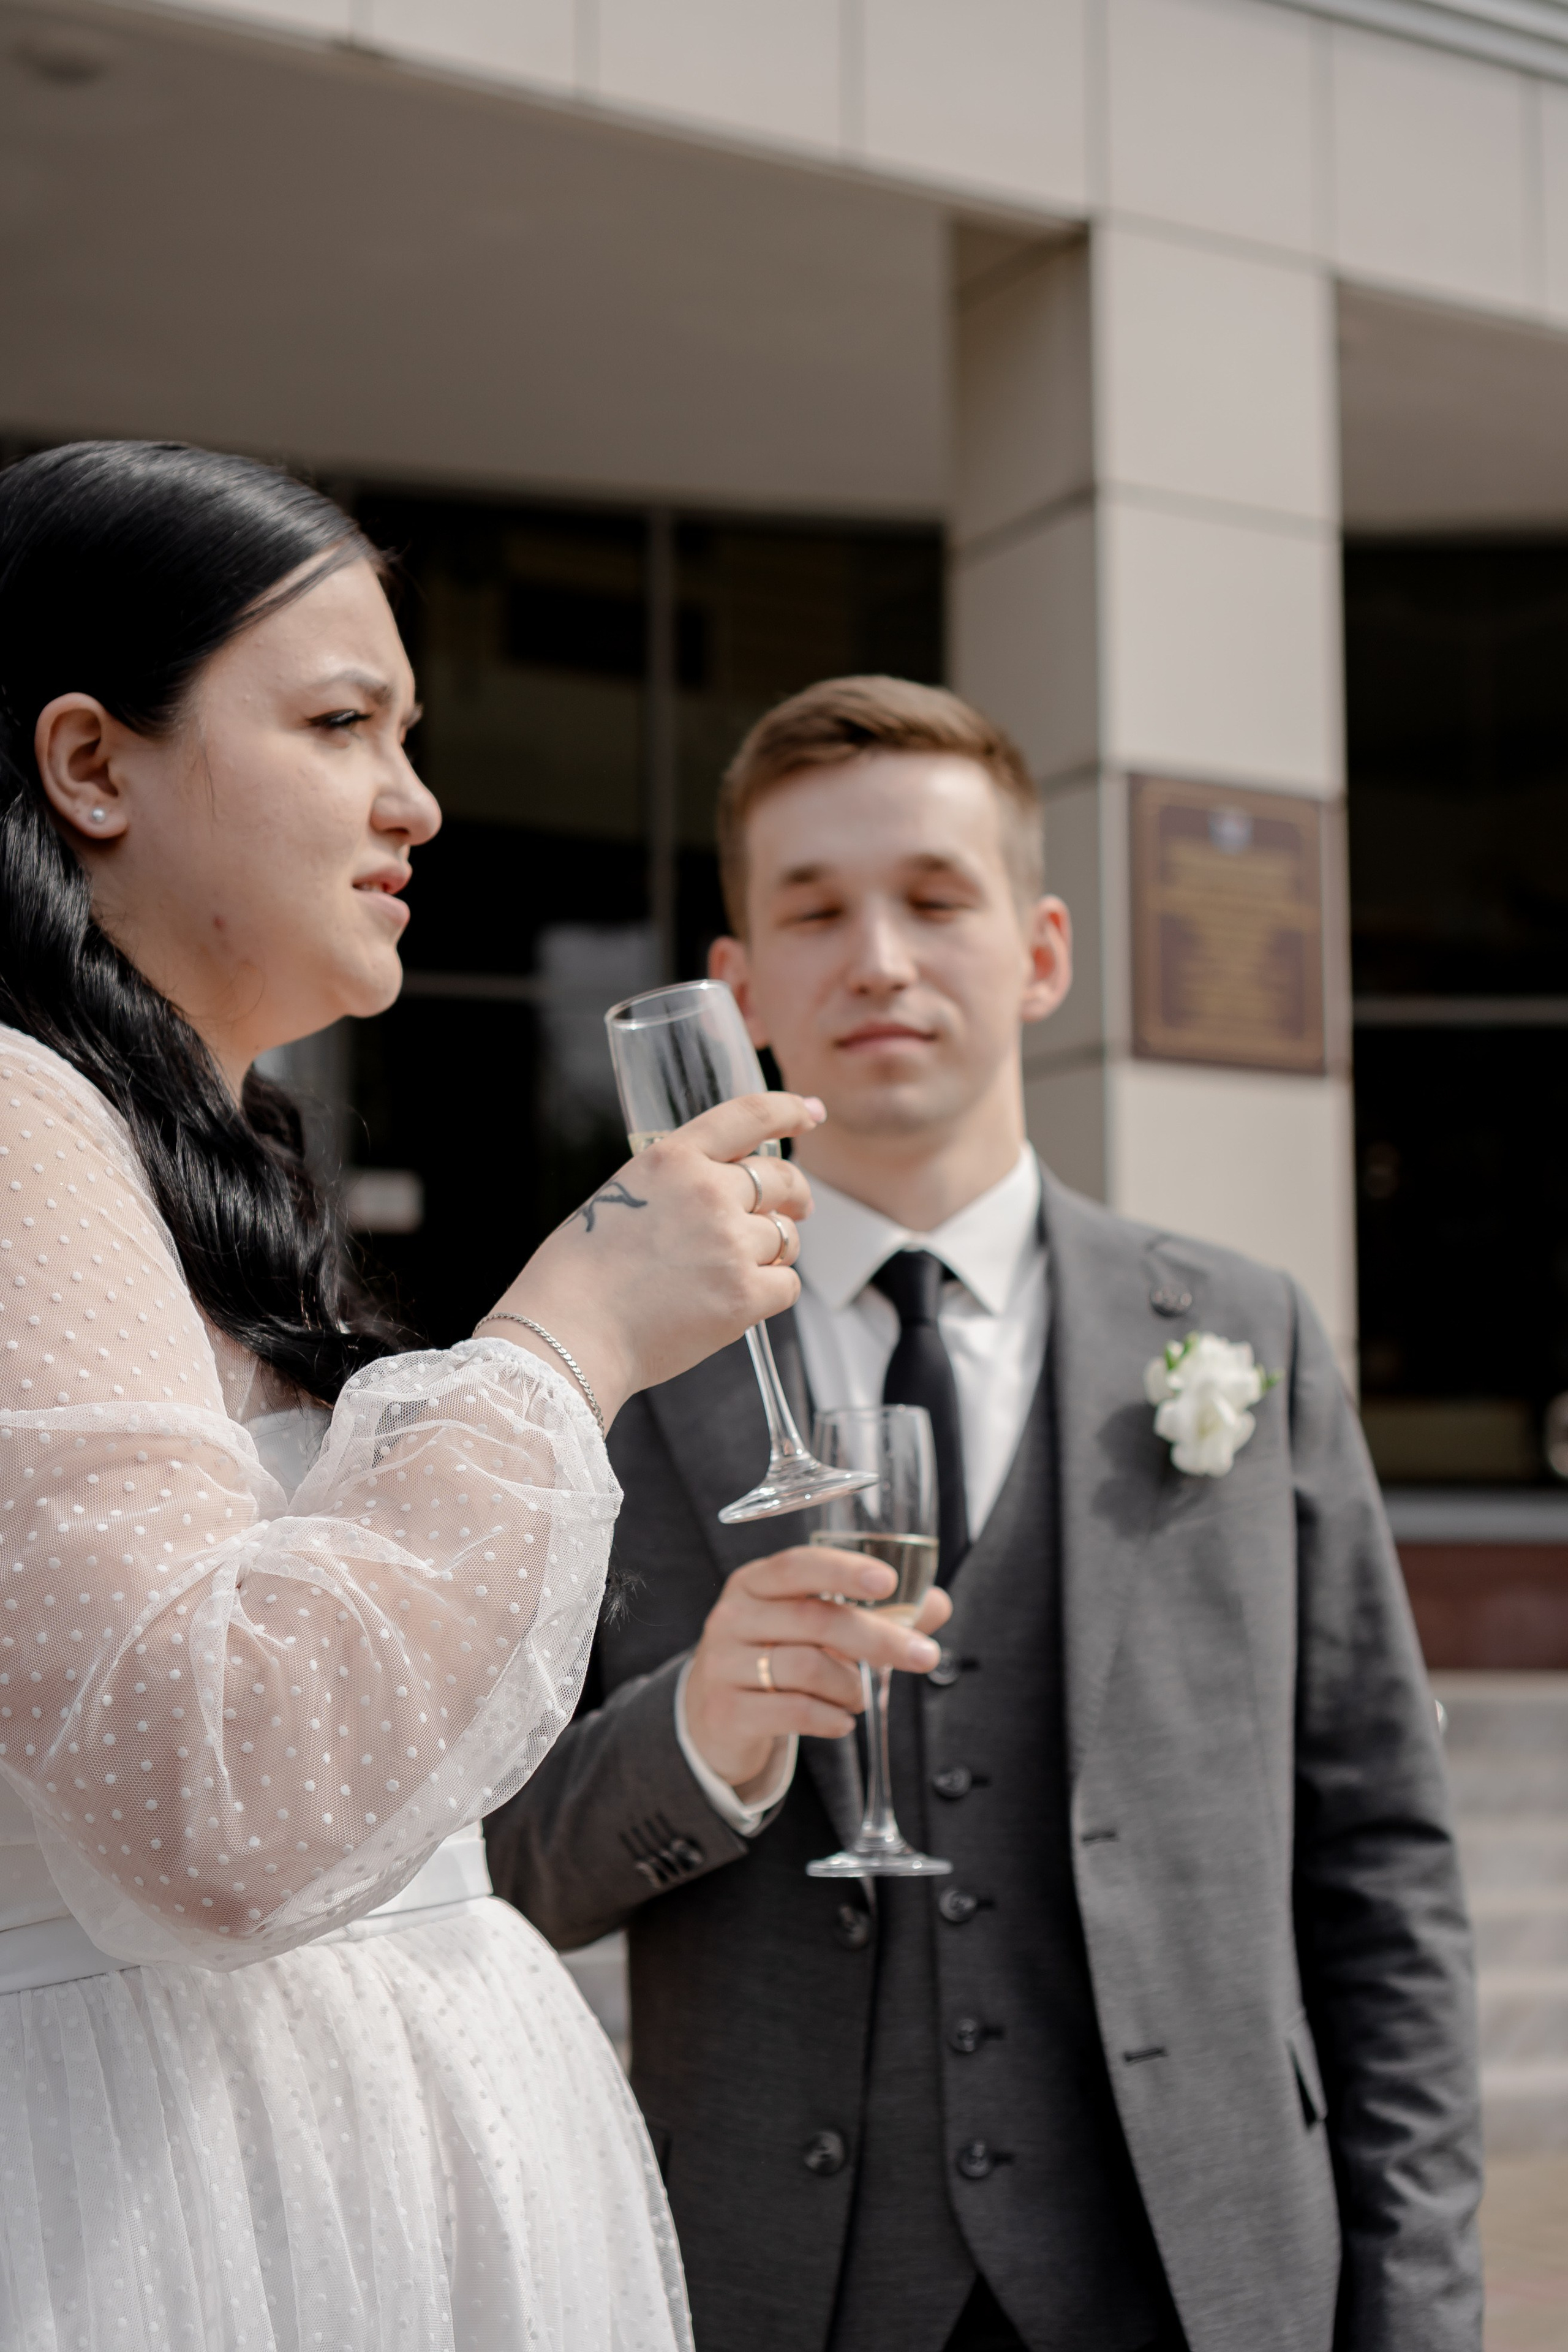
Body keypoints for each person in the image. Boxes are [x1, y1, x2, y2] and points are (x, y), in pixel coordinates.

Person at [486, 676, 1485, 2352]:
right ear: (737, 991)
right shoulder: (616, 1367)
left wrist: (1422, 2317)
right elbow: (498, 1865)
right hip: (772, 2290)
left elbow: (1382, 1864)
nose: (879, 956)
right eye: (815, 910)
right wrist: (705, 1739)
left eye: (935, 900)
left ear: (1039, 952)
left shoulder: (1247, 1333)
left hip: (1202, 2282)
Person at [0, 439, 832, 2352]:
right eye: (344, 722)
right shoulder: (18, 1118)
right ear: (90, 765)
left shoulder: (191, 1152)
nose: (418, 804)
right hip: (173, 2215)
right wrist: (572, 1340)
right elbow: (209, 1788)